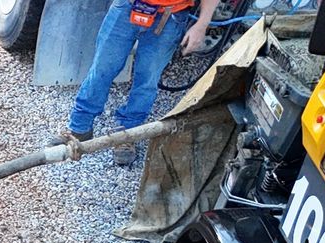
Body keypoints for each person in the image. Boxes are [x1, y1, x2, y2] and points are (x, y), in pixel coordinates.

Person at [65, 0, 219, 165]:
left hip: (170, 16)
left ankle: (127, 133)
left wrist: (202, 25)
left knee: (147, 80)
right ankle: (79, 127)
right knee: (101, 69)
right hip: (126, 7)